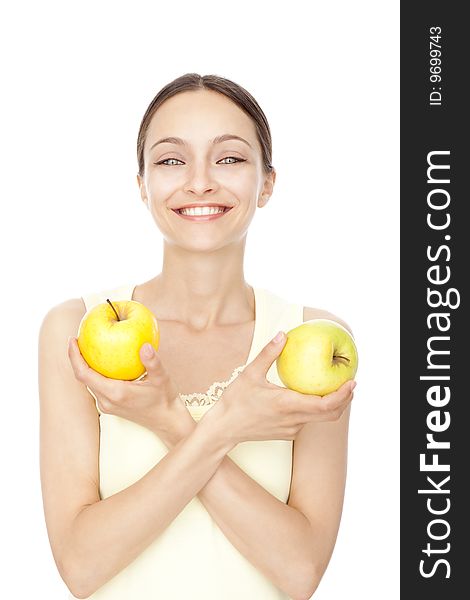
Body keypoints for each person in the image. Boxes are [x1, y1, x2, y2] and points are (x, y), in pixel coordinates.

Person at [38, 73, 356, 600]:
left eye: (229, 158)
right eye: (170, 160)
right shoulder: (74, 331)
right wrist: (224, 428)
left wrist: (172, 421)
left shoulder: (308, 338)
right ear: (142, 184)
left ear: (268, 182)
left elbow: (300, 572)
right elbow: (81, 565)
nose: (200, 182)